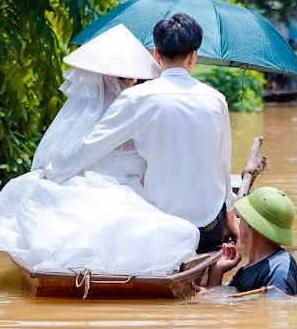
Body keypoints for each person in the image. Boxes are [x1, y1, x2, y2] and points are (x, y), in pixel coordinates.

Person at [0, 24, 202, 276]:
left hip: (94, 185)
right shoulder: (134, 104)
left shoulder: (89, 108)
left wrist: (53, 173)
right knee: (172, 231)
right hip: (126, 191)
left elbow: (76, 154)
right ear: (130, 77)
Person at [71, 13, 234, 253]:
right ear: (193, 57)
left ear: (156, 53)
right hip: (209, 229)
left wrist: (55, 173)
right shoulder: (216, 100)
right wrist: (230, 214)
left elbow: (90, 147)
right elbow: (224, 164)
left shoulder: (136, 98)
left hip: (161, 228)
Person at [206, 187, 297, 296]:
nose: (237, 222)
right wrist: (217, 271)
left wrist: (211, 298)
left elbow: (278, 306)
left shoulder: (279, 267)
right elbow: (223, 304)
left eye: (240, 217)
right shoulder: (247, 270)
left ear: (251, 224)